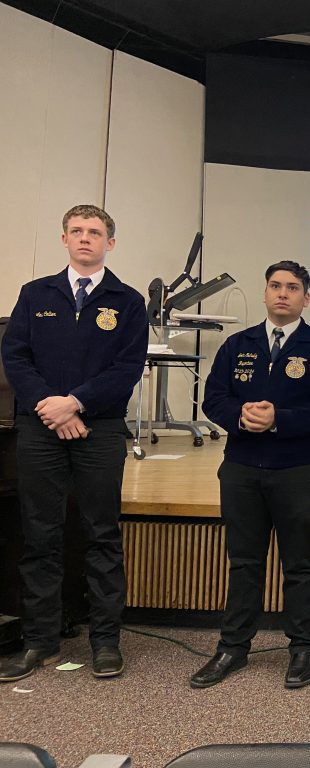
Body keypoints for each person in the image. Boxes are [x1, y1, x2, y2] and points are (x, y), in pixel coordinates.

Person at [0, 204, 147, 682]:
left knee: (102, 535)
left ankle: (105, 642)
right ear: (64, 238)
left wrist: (76, 403)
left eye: (95, 232)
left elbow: (126, 369)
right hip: (40, 427)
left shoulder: (128, 302)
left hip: (99, 431)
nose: (86, 238)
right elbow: (15, 357)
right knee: (39, 536)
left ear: (110, 243)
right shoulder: (35, 294)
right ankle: (39, 641)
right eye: (77, 231)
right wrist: (51, 406)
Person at [190, 261, 310, 689]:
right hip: (241, 470)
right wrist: (240, 416)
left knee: (299, 565)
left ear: (305, 299)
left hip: (298, 471)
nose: (282, 293)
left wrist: (279, 419)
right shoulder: (238, 345)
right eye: (275, 286)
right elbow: (213, 399)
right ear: (265, 293)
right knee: (243, 563)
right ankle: (233, 648)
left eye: (292, 288)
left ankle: (303, 648)